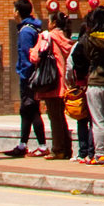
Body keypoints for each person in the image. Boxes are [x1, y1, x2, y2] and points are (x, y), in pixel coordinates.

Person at [74, 6, 104, 163]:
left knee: (98, 121)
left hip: (95, 82)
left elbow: (78, 57)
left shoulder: (89, 39)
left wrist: (83, 74)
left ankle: (99, 153)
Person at [33, 11, 75, 160]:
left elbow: (36, 56)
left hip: (50, 81)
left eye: (50, 21)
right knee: (60, 116)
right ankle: (66, 147)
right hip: (63, 81)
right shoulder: (66, 38)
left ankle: (58, 149)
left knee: (54, 117)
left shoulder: (47, 36)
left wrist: (31, 51)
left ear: (54, 23)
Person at [9, 0, 41, 158]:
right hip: (32, 76)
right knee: (28, 110)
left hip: (28, 78)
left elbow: (26, 56)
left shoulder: (26, 31)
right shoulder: (33, 28)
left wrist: (25, 75)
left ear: (17, 12)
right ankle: (23, 144)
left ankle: (41, 145)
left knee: (31, 110)